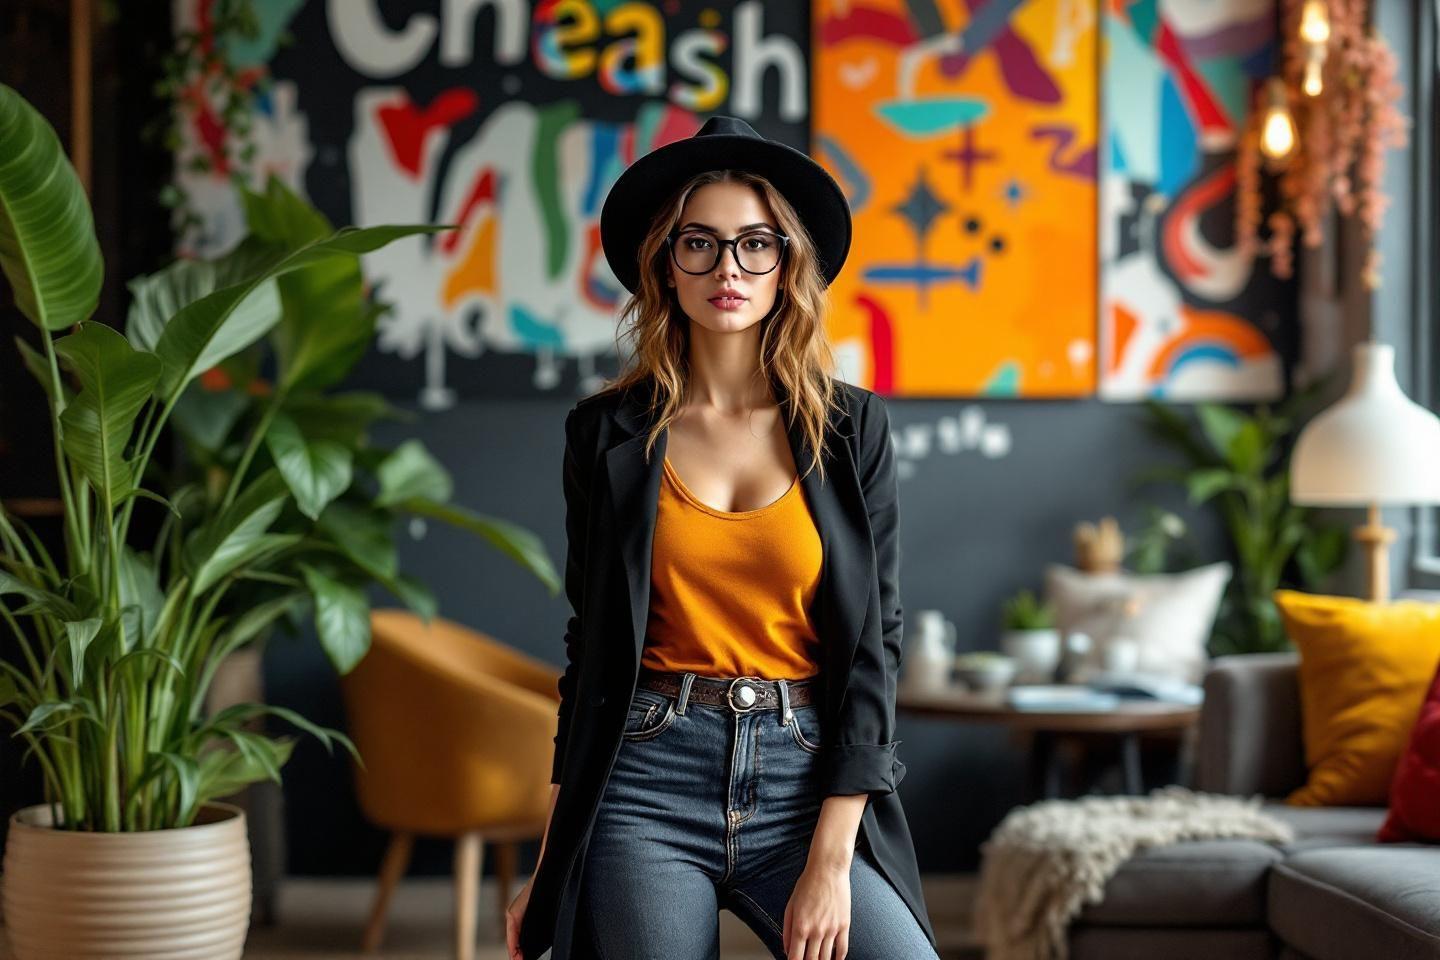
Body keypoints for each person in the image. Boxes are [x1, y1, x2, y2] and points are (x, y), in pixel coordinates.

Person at [507, 115, 939, 960]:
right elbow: (589, 653)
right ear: (665, 265)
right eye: (698, 243)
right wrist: (553, 860)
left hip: (805, 783)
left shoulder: (852, 430)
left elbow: (873, 651)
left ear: (789, 264)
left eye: (756, 244)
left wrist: (828, 859)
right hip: (646, 782)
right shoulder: (604, 435)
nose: (728, 269)